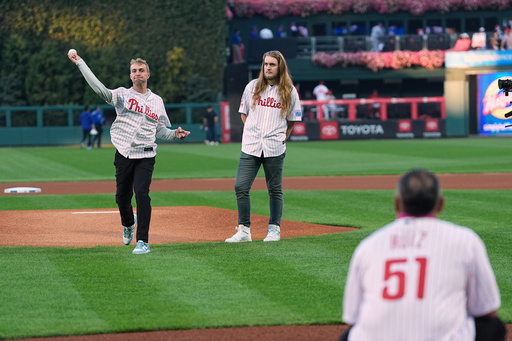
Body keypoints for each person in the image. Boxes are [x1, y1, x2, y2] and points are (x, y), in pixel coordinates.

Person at [340, 169, 505, 341]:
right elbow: (488, 310)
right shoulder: (465, 239)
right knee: (494, 328)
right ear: (440, 204)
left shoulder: (368, 245)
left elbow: (352, 318)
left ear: (397, 204)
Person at [68, 51, 190, 254]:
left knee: (142, 194)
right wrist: (80, 63)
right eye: (134, 71)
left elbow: (160, 130)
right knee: (122, 198)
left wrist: (175, 134)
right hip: (124, 152)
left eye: (141, 70)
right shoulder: (122, 95)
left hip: (146, 154)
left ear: (148, 74)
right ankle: (128, 223)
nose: (137, 74)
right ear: (130, 75)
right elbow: (100, 89)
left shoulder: (157, 101)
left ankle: (143, 241)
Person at [225, 50, 302, 243]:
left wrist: (281, 137)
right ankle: (244, 230)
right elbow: (244, 113)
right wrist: (253, 130)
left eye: (272, 65)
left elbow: (292, 120)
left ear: (280, 67)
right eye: (265, 64)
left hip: (274, 147)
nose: (268, 67)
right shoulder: (252, 87)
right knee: (240, 186)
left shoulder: (289, 91)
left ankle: (274, 229)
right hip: (250, 145)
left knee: (275, 189)